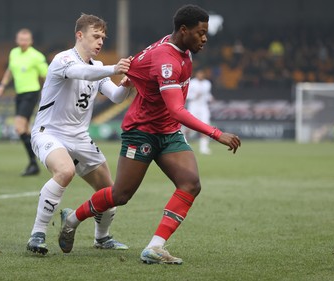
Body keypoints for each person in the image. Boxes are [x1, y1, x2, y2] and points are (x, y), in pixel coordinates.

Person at [58, 4, 241, 265]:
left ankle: (155, 247)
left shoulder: (178, 48)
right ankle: (73, 218)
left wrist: (135, 76)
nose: (205, 38)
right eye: (200, 32)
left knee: (191, 183)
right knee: (120, 195)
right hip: (141, 132)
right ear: (184, 30)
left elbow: (138, 61)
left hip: (168, 132)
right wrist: (216, 133)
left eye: (206, 32)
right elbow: (177, 110)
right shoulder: (167, 59)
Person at [26, 13, 133, 255]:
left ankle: (102, 238)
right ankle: (37, 234)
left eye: (103, 38)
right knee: (65, 171)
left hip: (80, 137)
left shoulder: (96, 67)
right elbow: (82, 73)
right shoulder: (62, 59)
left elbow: (116, 97)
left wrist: (128, 82)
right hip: (49, 132)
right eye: (96, 36)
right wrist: (114, 68)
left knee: (111, 193)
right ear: (79, 35)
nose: (100, 42)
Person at [0, 28, 48, 176]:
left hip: (31, 93)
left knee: (19, 127)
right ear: (17, 40)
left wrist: (47, 92)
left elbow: (47, 75)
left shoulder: (36, 56)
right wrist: (2, 85)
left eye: (26, 39)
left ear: (31, 41)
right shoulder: (14, 53)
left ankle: (34, 162)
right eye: (21, 39)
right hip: (19, 94)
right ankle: (37, 158)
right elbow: (10, 70)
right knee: (24, 130)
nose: (23, 42)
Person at [186, 69, 214, 154]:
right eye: (199, 74)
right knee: (189, 127)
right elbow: (186, 95)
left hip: (203, 107)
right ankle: (184, 144)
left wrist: (211, 98)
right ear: (197, 74)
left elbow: (207, 94)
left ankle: (203, 148)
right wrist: (194, 95)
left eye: (202, 74)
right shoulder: (192, 83)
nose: (200, 75)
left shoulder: (207, 83)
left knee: (206, 126)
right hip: (194, 106)